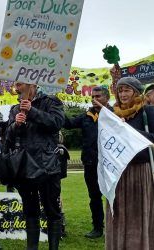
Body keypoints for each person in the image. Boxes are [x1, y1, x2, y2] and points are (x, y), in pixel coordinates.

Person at [4, 82, 65, 249]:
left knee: (52, 209)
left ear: (31, 84)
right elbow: (8, 137)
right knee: (30, 211)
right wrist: (15, 125)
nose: (16, 88)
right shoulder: (15, 109)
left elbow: (57, 123)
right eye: (15, 84)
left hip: (48, 166)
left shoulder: (51, 102)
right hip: (24, 166)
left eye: (19, 84)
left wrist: (33, 111)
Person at [106, 77, 154, 249]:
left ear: (136, 92)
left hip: (139, 171)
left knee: (136, 214)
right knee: (118, 213)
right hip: (118, 172)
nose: (123, 94)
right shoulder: (112, 113)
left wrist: (128, 129)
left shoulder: (147, 112)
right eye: (120, 91)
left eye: (127, 90)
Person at [64, 86, 111, 238]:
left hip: (111, 164)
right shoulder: (86, 115)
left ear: (107, 98)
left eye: (98, 96)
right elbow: (69, 123)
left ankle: (116, 228)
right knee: (94, 196)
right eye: (93, 96)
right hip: (91, 163)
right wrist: (57, 108)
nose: (94, 99)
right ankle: (98, 228)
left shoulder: (115, 114)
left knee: (115, 196)